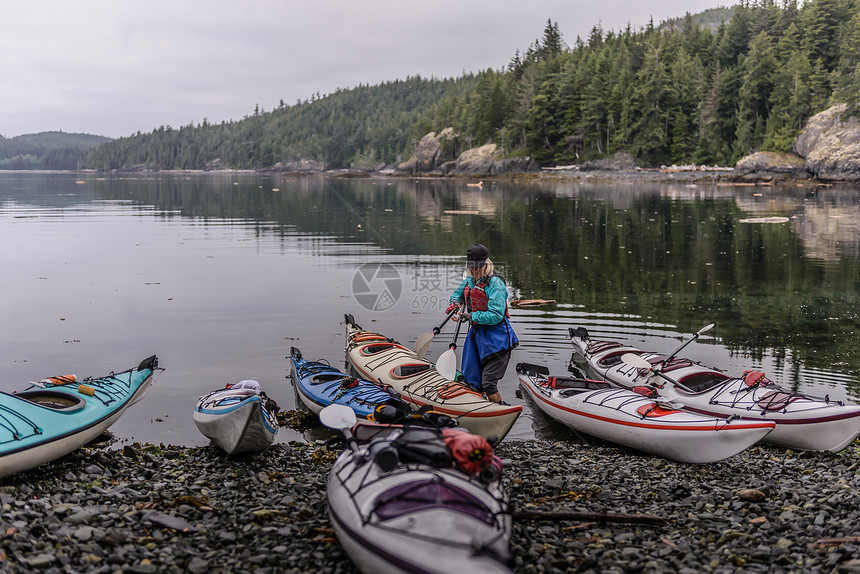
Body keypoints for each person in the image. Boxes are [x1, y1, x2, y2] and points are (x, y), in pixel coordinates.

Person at [446, 244, 518, 404]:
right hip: (477, 338)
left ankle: (500, 412)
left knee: (489, 383)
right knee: (473, 382)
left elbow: (496, 315)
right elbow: (457, 294)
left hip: (498, 340)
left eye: (479, 267)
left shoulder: (495, 284)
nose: (475, 271)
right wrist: (454, 303)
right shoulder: (470, 281)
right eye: (472, 267)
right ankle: (481, 409)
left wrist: (471, 316)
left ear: (486, 264)